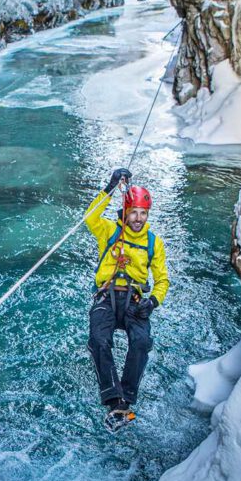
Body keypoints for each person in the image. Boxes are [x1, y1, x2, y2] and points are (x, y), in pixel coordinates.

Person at [84, 167, 169, 430]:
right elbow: (90, 216)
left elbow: (162, 280)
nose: (138, 218)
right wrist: (110, 187)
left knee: (142, 341)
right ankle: (114, 401)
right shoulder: (109, 230)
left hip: (135, 300)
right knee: (99, 340)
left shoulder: (154, 243)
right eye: (134, 212)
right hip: (106, 296)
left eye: (143, 213)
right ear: (125, 211)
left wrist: (152, 302)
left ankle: (128, 398)